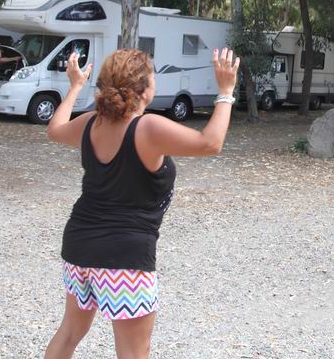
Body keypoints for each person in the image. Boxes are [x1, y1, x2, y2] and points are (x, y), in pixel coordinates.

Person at [45, 47, 240, 359]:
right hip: (126, 257)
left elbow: (55, 130)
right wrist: (225, 92)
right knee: (134, 352)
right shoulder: (147, 128)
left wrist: (75, 87)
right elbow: (210, 143)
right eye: (153, 76)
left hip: (79, 245)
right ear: (143, 88)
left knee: (69, 333)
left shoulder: (92, 122)